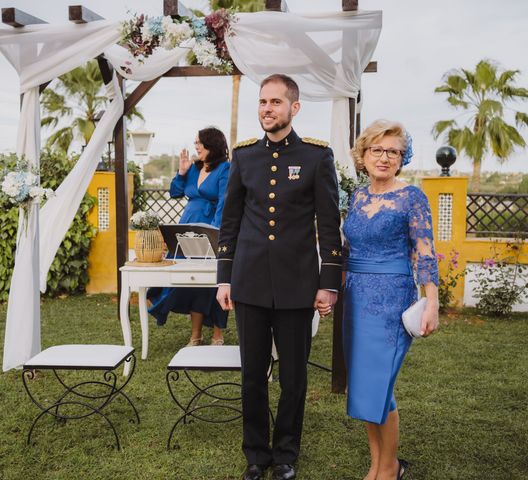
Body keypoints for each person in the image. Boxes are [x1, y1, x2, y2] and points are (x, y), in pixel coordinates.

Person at [216, 74, 342, 480]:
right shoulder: (244, 156)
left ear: (294, 107)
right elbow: (230, 220)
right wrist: (224, 277)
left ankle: (285, 453)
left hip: (296, 285)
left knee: (293, 377)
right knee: (252, 375)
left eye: (275, 102)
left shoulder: (317, 157)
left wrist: (328, 282)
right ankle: (256, 454)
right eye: (262, 102)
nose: (267, 109)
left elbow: (329, 223)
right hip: (249, 283)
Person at [341, 119, 439, 480]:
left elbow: (425, 253)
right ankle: (380, 465)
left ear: (402, 158)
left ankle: (387, 469)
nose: (384, 157)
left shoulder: (411, 197)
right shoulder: (358, 196)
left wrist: (432, 302)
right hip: (355, 297)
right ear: (363, 155)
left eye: (393, 152)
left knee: (380, 383)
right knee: (366, 387)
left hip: (391, 299)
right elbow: (349, 247)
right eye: (377, 150)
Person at [148, 127, 231, 346]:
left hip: (211, 228)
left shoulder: (225, 169)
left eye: (199, 142)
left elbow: (224, 202)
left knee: (213, 282)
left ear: (211, 144)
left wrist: (215, 234)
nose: (196, 146)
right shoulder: (194, 167)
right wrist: (182, 172)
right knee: (190, 281)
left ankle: (217, 335)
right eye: (195, 142)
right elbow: (175, 192)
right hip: (187, 227)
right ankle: (195, 335)